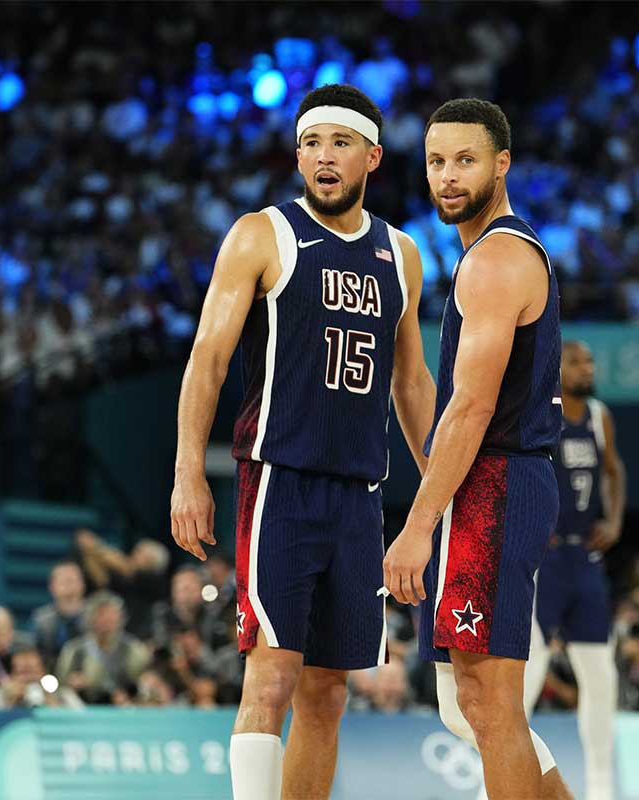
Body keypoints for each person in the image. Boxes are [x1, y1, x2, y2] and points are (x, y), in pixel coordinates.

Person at [168, 83, 435, 800]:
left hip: (359, 493)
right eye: (311, 144)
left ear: (371, 157)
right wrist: (188, 472)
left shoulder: (401, 254)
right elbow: (207, 360)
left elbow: (411, 383)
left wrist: (441, 489)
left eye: (340, 144)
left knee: (329, 694)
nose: (323, 157)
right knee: (273, 677)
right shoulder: (263, 233)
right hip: (279, 481)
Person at [383, 98, 572, 800]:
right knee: (480, 705)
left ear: (502, 164)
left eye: (465, 160)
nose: (448, 176)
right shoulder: (499, 251)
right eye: (436, 162)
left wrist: (417, 524)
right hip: (502, 482)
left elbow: (472, 407)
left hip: (496, 486)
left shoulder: (493, 260)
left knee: (490, 704)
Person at [522, 341, 626, 800]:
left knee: (601, 675)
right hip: (543, 561)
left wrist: (616, 519)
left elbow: (614, 470)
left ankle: (601, 785)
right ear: (557, 367)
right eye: (578, 362)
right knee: (526, 676)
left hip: (584, 558)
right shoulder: (539, 408)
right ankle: (500, 782)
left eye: (590, 361)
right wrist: (530, 519)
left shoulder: (599, 416)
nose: (589, 368)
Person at [54, 590, 150, 705]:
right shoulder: (74, 650)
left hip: (127, 705)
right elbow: (60, 683)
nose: (106, 620)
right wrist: (72, 682)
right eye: (101, 614)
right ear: (90, 618)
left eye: (111, 615)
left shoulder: (134, 649)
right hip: (84, 705)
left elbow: (144, 680)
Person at [0, 647, 84, 710]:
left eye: (32, 672)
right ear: (12, 674)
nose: (28, 679)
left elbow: (81, 718)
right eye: (23, 673)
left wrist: (52, 702)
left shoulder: (63, 694)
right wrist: (11, 700)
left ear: (43, 672)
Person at [30, 561, 87, 668]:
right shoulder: (41, 620)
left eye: (73, 581)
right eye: (64, 582)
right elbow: (35, 654)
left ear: (82, 584)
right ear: (52, 587)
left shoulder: (94, 616)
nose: (69, 587)